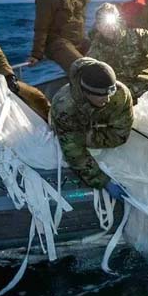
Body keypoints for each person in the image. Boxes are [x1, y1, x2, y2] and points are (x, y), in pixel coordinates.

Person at [50, 58, 133, 196]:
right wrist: (102, 181)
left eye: (109, 93)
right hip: (71, 127)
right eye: (100, 95)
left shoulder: (120, 94)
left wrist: (90, 136)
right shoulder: (64, 107)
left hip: (93, 127)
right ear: (86, 92)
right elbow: (74, 152)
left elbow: (120, 134)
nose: (106, 99)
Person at [28, 0, 91, 72]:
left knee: (104, 58)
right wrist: (36, 54)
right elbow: (41, 26)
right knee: (84, 69)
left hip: (78, 40)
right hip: (57, 43)